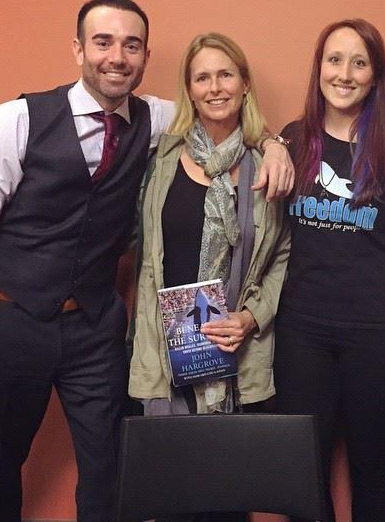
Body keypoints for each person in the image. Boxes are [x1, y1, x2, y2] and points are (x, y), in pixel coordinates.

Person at [0, 0, 293, 522]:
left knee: (110, 469)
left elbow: (223, 115)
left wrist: (275, 143)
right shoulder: (13, 122)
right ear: (78, 49)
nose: (117, 57)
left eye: (131, 45)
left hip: (93, 329)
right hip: (10, 319)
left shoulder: (157, 119)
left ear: (145, 56)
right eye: (103, 42)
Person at [128, 32, 290, 522]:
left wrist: (251, 317)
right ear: (189, 89)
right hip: (167, 351)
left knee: (228, 496)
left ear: (245, 84)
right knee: (171, 497)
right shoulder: (160, 157)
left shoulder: (267, 166)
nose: (215, 87)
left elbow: (282, 254)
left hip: (236, 352)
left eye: (225, 75)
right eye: (202, 77)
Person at [274, 19, 385, 522]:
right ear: (319, 68)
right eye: (334, 60)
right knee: (301, 467)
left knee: (372, 467)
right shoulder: (294, 138)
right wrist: (270, 142)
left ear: (375, 75)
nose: (344, 74)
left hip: (381, 332)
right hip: (303, 330)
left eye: (359, 63)